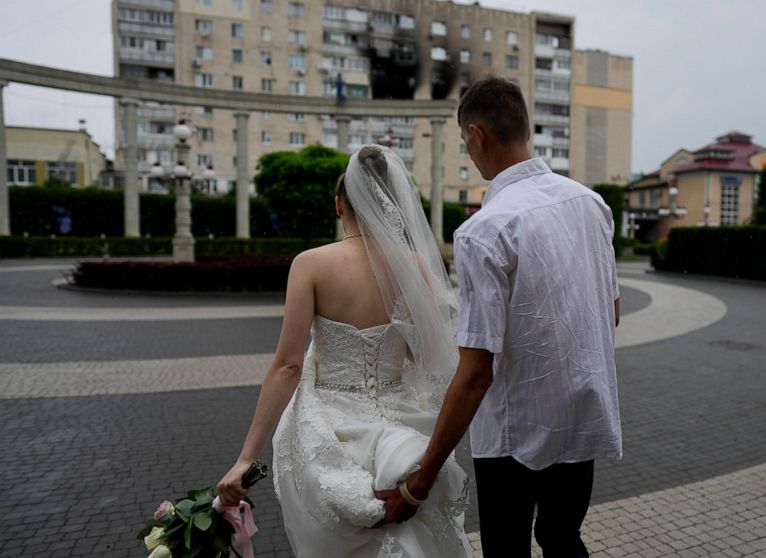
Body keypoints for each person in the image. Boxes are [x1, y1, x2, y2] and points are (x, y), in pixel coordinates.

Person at [376, 76, 623, 557]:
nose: (468, 152)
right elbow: (609, 312)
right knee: (561, 536)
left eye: (465, 142)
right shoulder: (592, 205)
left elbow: (475, 374)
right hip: (580, 414)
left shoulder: (483, 232)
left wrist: (421, 481)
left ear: (478, 134)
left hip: (515, 435)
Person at [216, 145, 472, 558]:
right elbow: (426, 358)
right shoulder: (415, 266)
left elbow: (287, 366)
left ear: (340, 204)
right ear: (393, 202)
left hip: (331, 426)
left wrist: (247, 458)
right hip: (401, 430)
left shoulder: (311, 264)